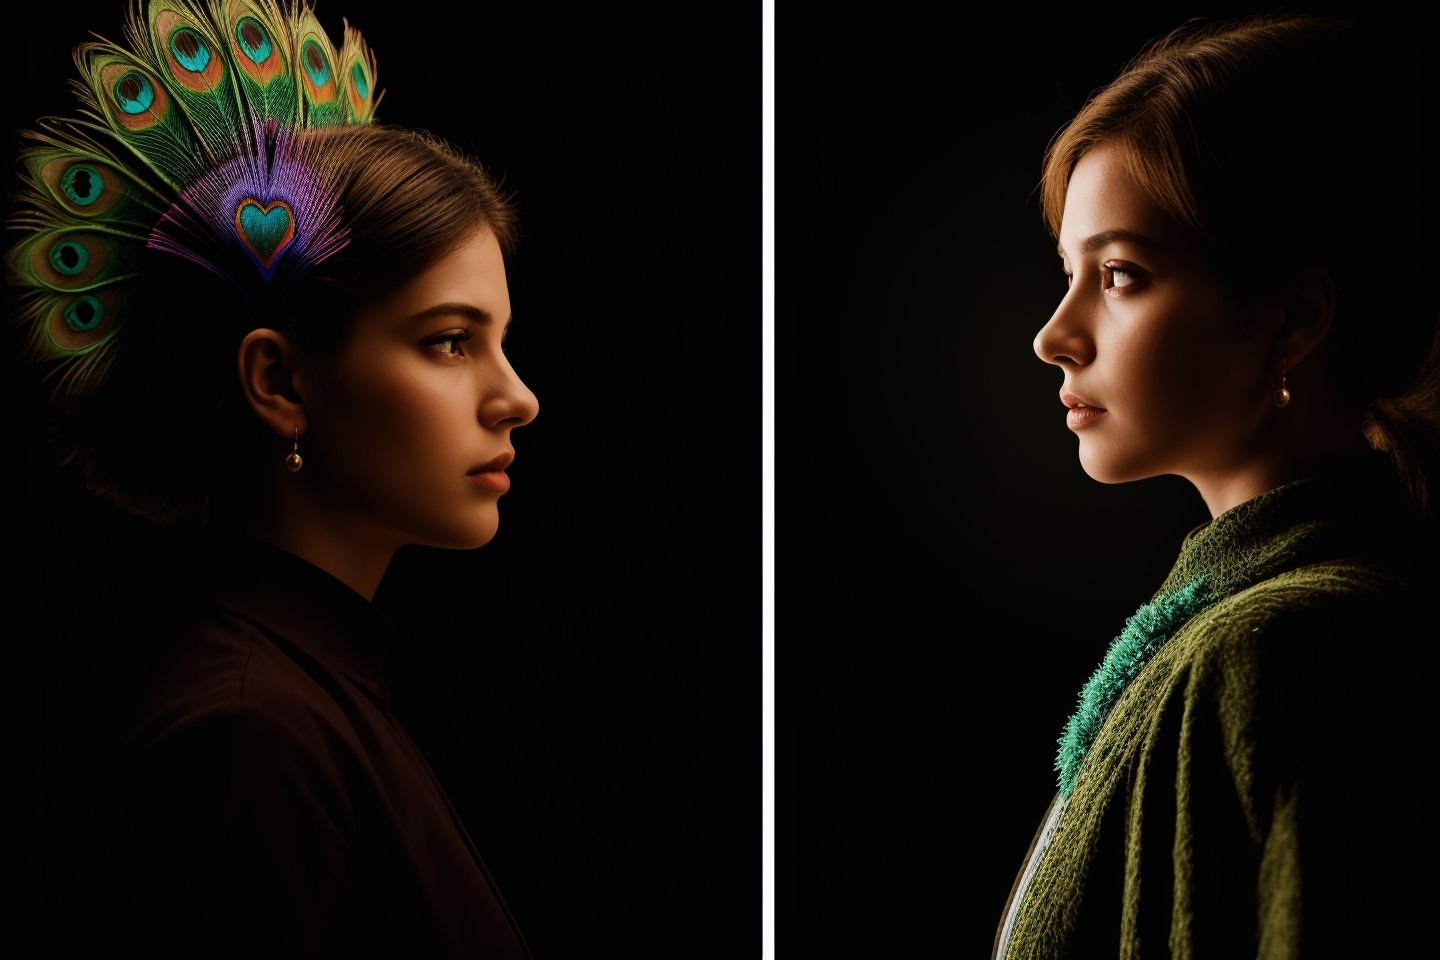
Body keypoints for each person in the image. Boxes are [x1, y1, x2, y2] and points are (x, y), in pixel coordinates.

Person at [8, 1, 539, 956]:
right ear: (280, 381)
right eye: (450, 343)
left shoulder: (318, 695)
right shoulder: (249, 737)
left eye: (500, 342)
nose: (517, 398)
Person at [996, 13, 1438, 959]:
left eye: (1119, 274)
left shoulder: (1294, 648)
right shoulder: (1240, 626)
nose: (1053, 335)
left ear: (1295, 318)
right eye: (1068, 272)